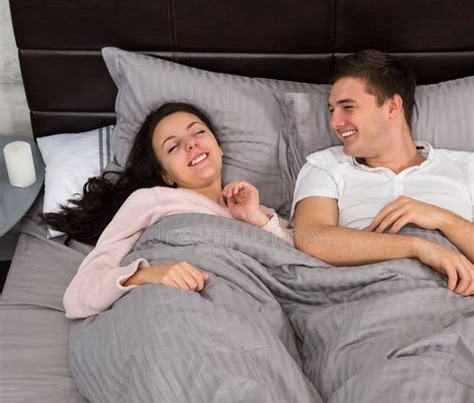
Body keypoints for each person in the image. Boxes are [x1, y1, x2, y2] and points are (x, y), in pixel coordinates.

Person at [46, 103, 293, 319]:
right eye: (173, 147)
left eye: (198, 132)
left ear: (219, 147)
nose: (192, 144)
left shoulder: (255, 208)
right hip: (175, 310)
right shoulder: (153, 200)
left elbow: (300, 268)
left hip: (252, 314)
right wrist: (147, 274)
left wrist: (256, 219)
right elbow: (78, 294)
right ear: (165, 174)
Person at [292, 50, 474, 297]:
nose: (334, 122)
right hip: (369, 299)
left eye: (347, 107)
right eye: (331, 110)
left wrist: (445, 220)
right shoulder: (325, 166)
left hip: (455, 301)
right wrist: (417, 246)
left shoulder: (466, 167)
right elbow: (311, 238)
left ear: (392, 107)